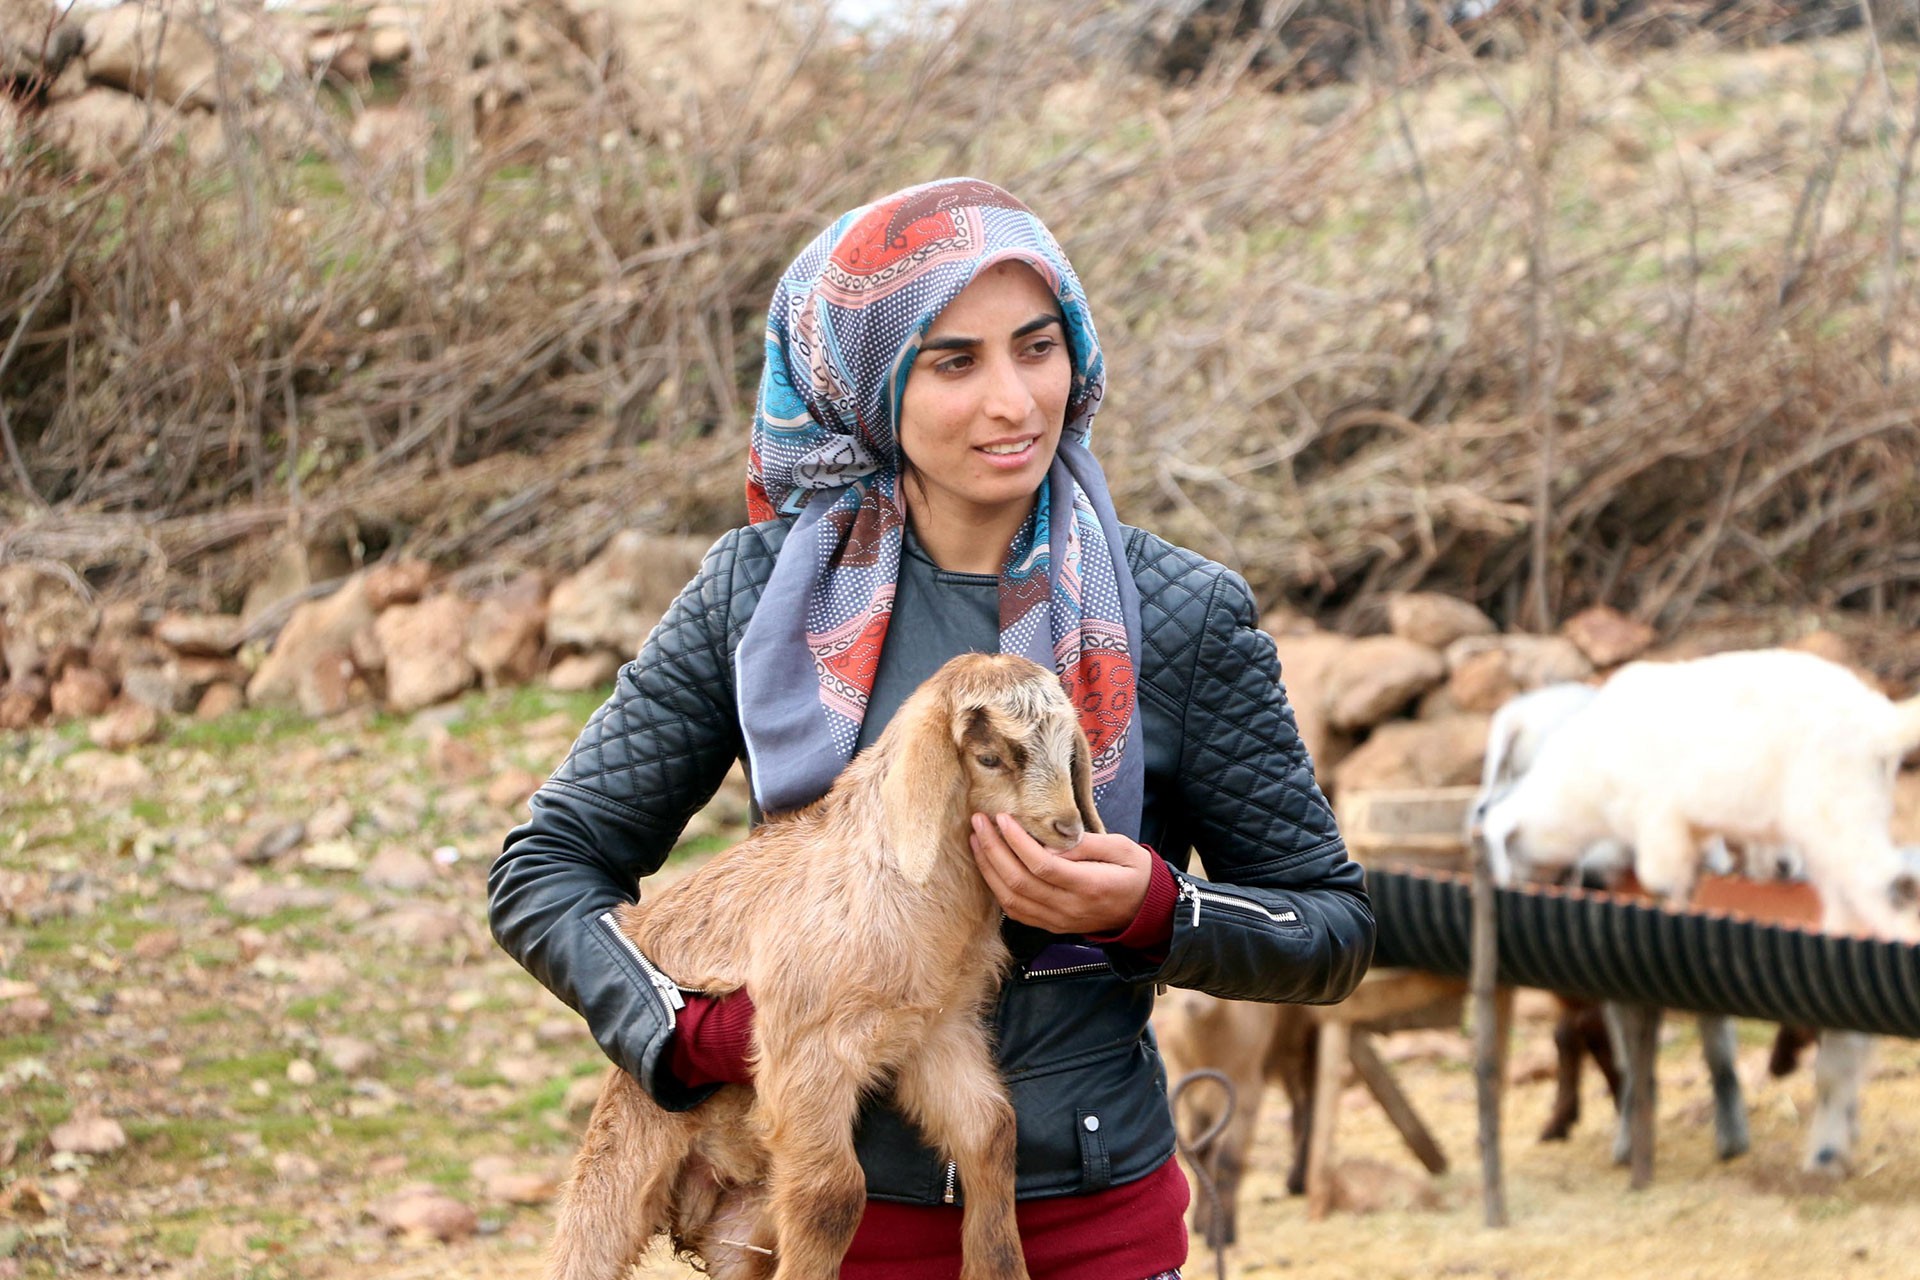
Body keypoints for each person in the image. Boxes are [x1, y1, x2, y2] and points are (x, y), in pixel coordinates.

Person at [489, 177, 1374, 1280]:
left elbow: (1331, 927)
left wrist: (1153, 907)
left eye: (1037, 347)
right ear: (868, 383)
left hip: (1088, 1227)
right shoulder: (761, 594)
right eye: (954, 361)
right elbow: (546, 870)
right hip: (822, 1230)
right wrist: (699, 1031)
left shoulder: (1181, 612)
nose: (1013, 400)